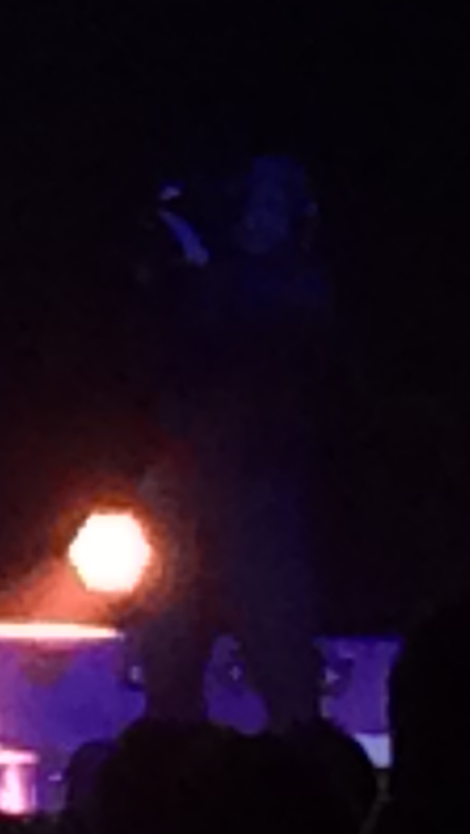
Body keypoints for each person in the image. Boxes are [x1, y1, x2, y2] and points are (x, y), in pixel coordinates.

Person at [131, 155, 332, 732]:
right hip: (185, 485)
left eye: (273, 205)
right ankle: (167, 754)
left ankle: (298, 758)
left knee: (280, 647)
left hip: (261, 491)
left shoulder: (299, 288)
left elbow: (255, 316)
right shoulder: (200, 281)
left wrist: (197, 261)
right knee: (169, 644)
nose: (257, 218)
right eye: (253, 202)